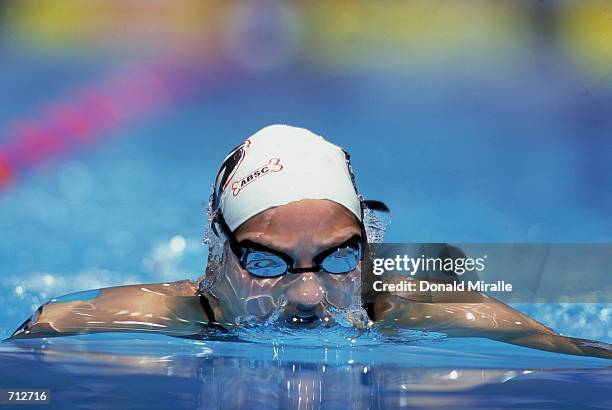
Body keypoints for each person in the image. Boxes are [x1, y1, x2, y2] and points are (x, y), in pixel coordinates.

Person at [10, 125, 612, 359]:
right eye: (268, 262)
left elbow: (576, 354)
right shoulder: (127, 319)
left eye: (339, 256)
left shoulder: (423, 310)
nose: (306, 294)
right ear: (216, 251)